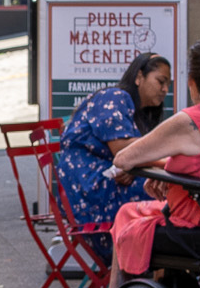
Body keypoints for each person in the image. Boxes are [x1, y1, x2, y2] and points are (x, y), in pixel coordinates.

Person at [71, 40, 200, 288]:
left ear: (191, 83)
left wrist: (161, 169)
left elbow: (124, 157)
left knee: (128, 212)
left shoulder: (189, 121)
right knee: (137, 209)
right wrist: (169, 171)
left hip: (194, 217)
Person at [54, 51, 172, 257]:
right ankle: (159, 265)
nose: (165, 89)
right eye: (160, 81)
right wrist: (170, 162)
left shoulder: (137, 112)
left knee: (162, 189)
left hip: (101, 182)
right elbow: (123, 150)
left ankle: (155, 267)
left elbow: (130, 157)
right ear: (138, 77)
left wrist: (135, 168)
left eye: (168, 85)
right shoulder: (115, 96)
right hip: (89, 187)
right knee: (165, 193)